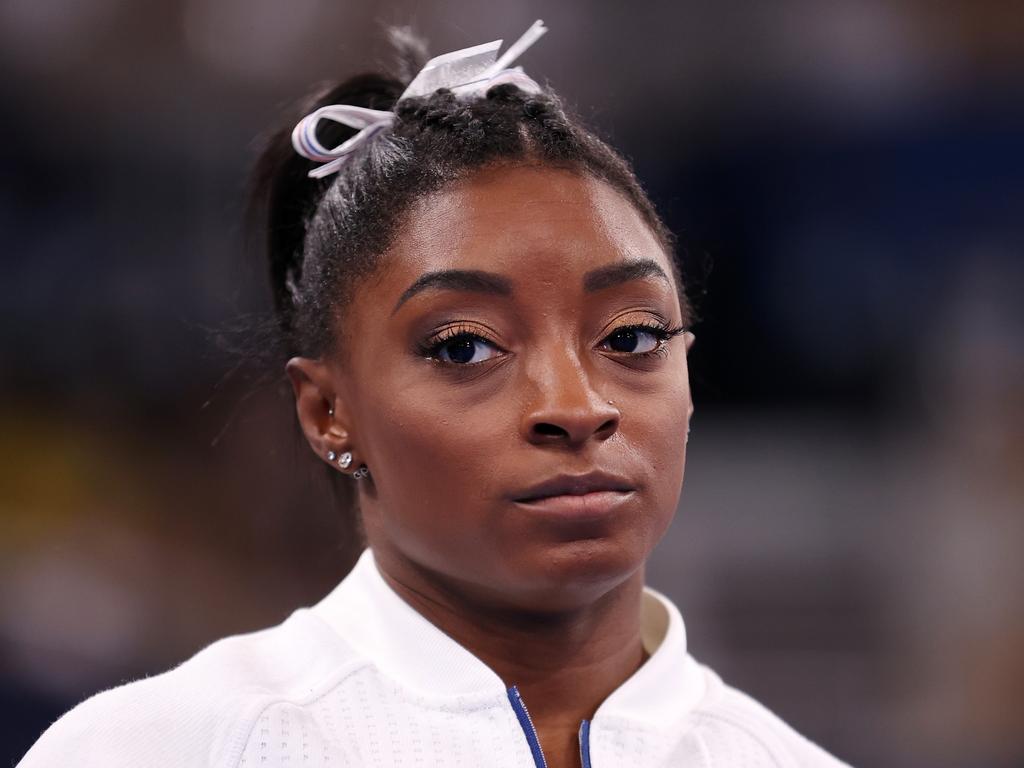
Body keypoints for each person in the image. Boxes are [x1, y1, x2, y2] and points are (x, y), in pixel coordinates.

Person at [19, 21, 851, 768]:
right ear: (326, 412)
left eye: (631, 338)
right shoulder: (164, 750)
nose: (575, 405)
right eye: (464, 347)